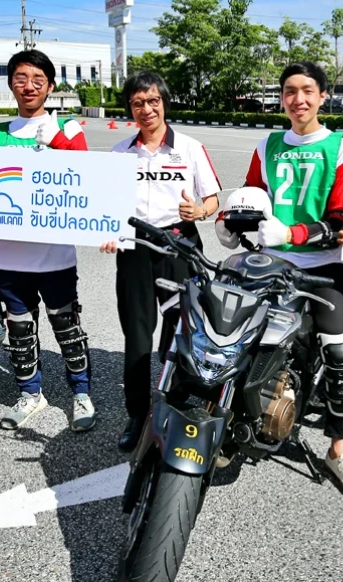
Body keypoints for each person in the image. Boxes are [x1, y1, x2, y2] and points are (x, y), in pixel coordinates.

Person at [216, 61, 343, 500]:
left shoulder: (342, 149)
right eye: (289, 91)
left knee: (339, 351)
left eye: (307, 91)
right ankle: (227, 415)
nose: (297, 99)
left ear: (323, 96)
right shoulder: (267, 145)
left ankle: (338, 449)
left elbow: (341, 221)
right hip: (271, 261)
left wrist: (293, 233)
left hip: (323, 264)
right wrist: (229, 223)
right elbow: (250, 196)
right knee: (230, 329)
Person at [101, 71, 222, 451]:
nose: (147, 109)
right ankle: (137, 413)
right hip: (135, 247)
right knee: (137, 334)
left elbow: (213, 199)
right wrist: (107, 230)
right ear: (130, 109)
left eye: (153, 101)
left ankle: (173, 402)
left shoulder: (189, 148)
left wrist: (199, 210)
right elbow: (106, 205)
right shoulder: (120, 153)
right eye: (138, 103)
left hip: (179, 246)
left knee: (180, 329)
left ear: (164, 102)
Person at [0, 49, 96, 432]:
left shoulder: (68, 129)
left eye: (37, 80)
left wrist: (59, 143)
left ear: (50, 86)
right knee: (19, 329)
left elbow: (89, 180)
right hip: (9, 254)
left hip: (54, 254)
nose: (28, 86)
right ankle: (30, 393)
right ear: (11, 83)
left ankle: (81, 393)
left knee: (66, 325)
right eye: (21, 78)